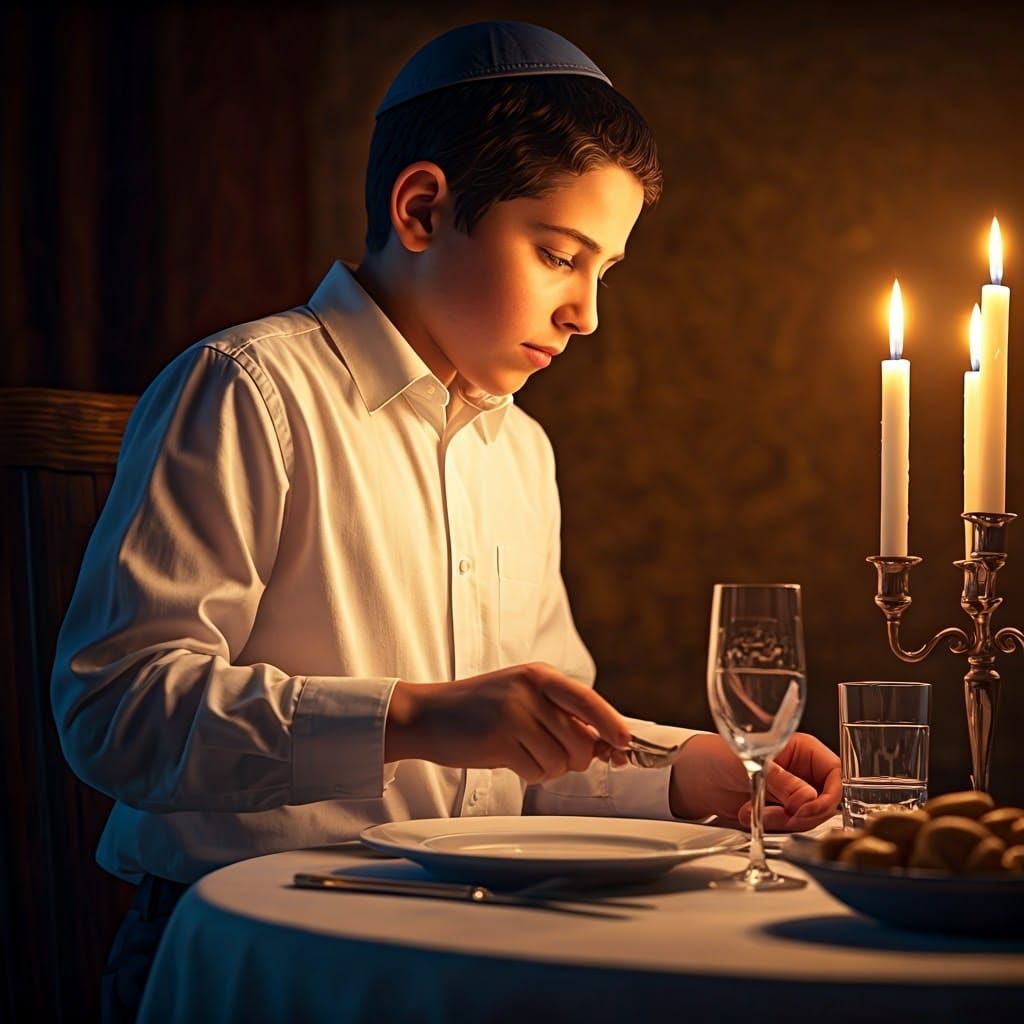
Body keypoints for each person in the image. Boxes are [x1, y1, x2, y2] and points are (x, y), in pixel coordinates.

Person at [51, 21, 841, 1022]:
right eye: (560, 254)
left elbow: (536, 754)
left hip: (467, 938)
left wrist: (695, 774)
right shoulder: (251, 391)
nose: (586, 314)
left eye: (605, 271)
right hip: (255, 947)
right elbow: (114, 710)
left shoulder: (518, 450)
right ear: (422, 207)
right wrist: (413, 717)